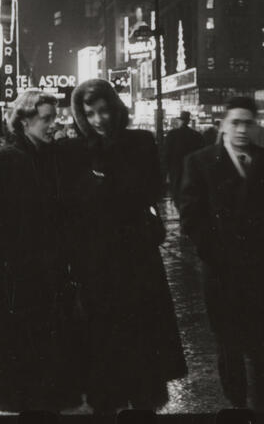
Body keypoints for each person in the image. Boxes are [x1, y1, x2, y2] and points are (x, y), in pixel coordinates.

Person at [59, 79, 187, 413]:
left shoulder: (140, 142)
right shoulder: (72, 151)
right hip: (94, 265)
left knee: (142, 344)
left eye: (103, 111)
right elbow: (69, 207)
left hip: (136, 261)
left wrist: (105, 182)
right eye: (90, 113)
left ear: (115, 109)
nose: (98, 120)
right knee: (103, 350)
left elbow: (149, 190)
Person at [0, 89, 81, 412]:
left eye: (55, 118)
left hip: (53, 284)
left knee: (51, 381)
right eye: (46, 119)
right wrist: (19, 246)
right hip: (15, 288)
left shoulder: (57, 160)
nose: (54, 125)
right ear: (25, 120)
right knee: (23, 380)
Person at [179, 96, 264, 410]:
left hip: (261, 270)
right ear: (223, 125)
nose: (242, 129)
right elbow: (191, 215)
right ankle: (238, 403)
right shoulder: (200, 162)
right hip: (222, 271)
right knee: (228, 342)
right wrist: (213, 252)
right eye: (235, 123)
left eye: (248, 123)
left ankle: (262, 400)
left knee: (263, 342)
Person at [163, 110, 204, 205]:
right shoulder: (196, 135)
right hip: (191, 168)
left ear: (180, 121)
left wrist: (166, 169)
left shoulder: (172, 134)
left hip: (175, 168)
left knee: (176, 191)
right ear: (189, 121)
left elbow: (167, 153)